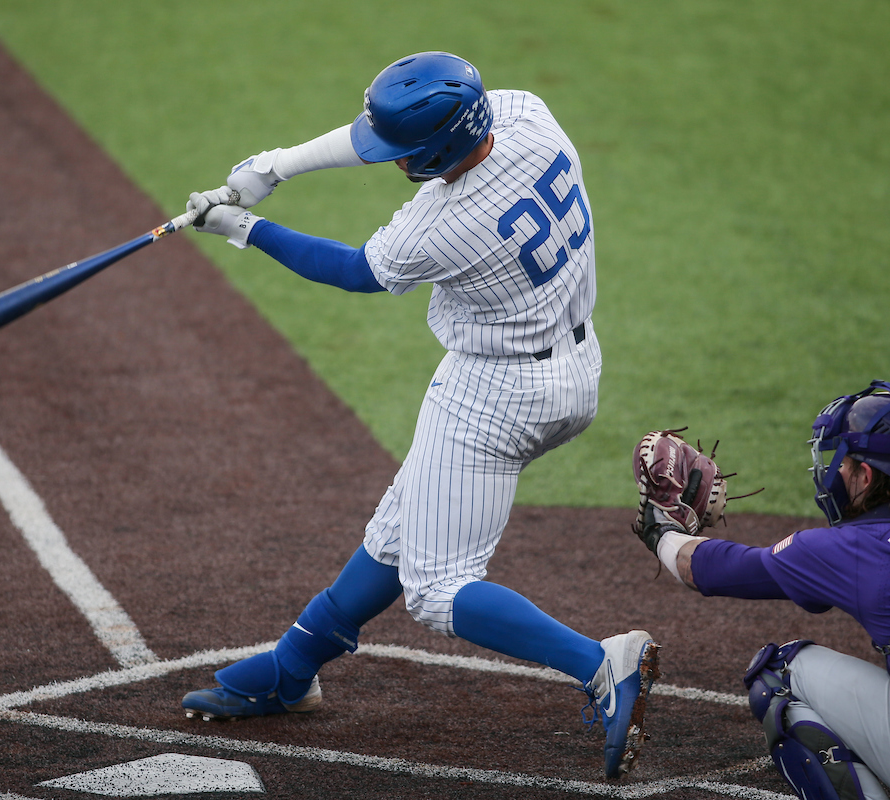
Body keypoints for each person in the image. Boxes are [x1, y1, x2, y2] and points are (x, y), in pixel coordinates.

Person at [182, 51, 660, 779]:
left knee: (437, 587)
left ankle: (600, 664)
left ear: (431, 155)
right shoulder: (528, 113)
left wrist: (242, 227)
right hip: (577, 369)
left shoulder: (442, 223)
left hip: (494, 397)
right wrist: (275, 166)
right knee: (403, 526)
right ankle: (292, 666)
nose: (388, 160)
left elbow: (352, 269)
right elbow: (385, 127)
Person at [636, 380, 890, 799]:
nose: (835, 472)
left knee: (780, 674)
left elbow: (713, 571)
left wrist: (662, 527)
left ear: (864, 475)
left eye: (842, 463)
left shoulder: (849, 551)